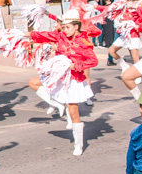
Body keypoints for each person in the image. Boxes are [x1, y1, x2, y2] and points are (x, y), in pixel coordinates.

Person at [27, 9, 98, 156]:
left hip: (73, 79)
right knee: (33, 82)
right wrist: (18, 35)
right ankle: (57, 103)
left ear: (76, 26)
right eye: (63, 27)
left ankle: (78, 144)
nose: (64, 30)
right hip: (59, 76)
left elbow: (93, 61)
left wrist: (75, 66)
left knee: (73, 111)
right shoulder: (61, 36)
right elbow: (41, 35)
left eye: (67, 27)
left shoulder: (83, 42)